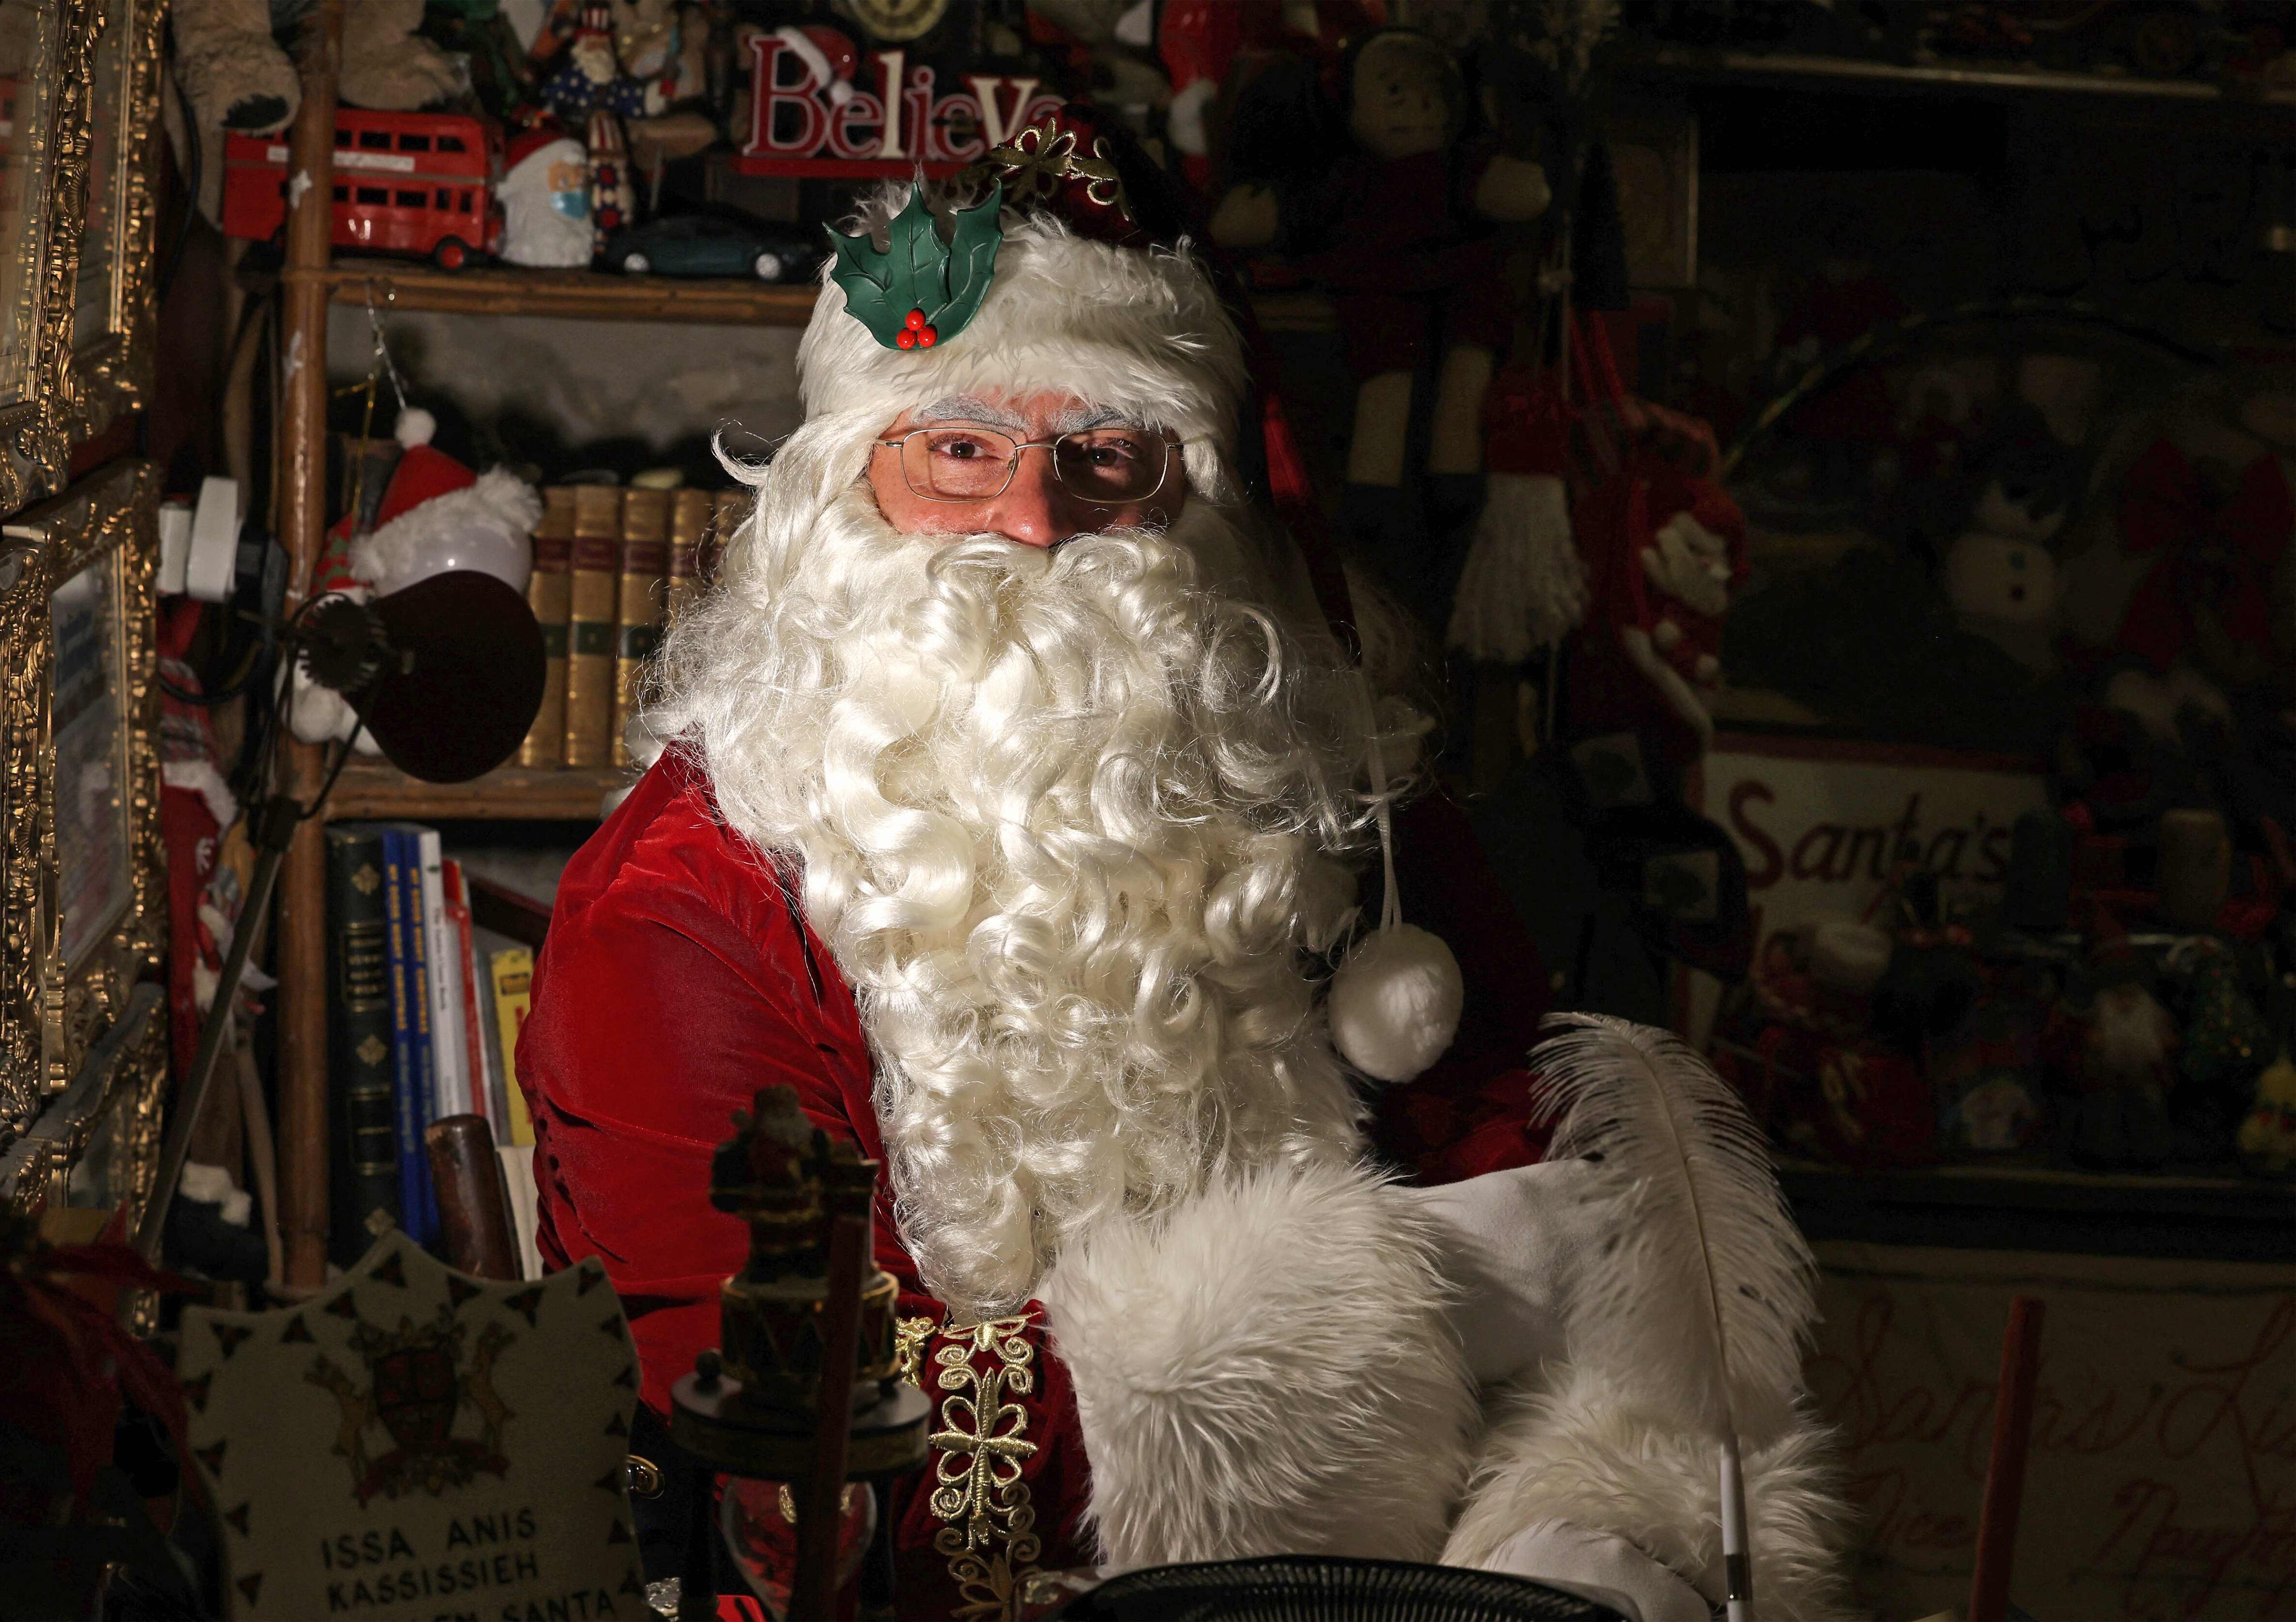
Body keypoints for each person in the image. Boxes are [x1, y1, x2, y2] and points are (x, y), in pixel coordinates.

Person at [519, 116, 1847, 1622]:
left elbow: (1598, 1283)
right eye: (961, 450)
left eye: (1107, 458)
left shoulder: (1333, 800)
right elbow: (799, 1474)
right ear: (844, 490)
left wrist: (1577, 1541)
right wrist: (1374, 1315)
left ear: (1194, 498)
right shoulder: (682, 914)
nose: (1032, 523)